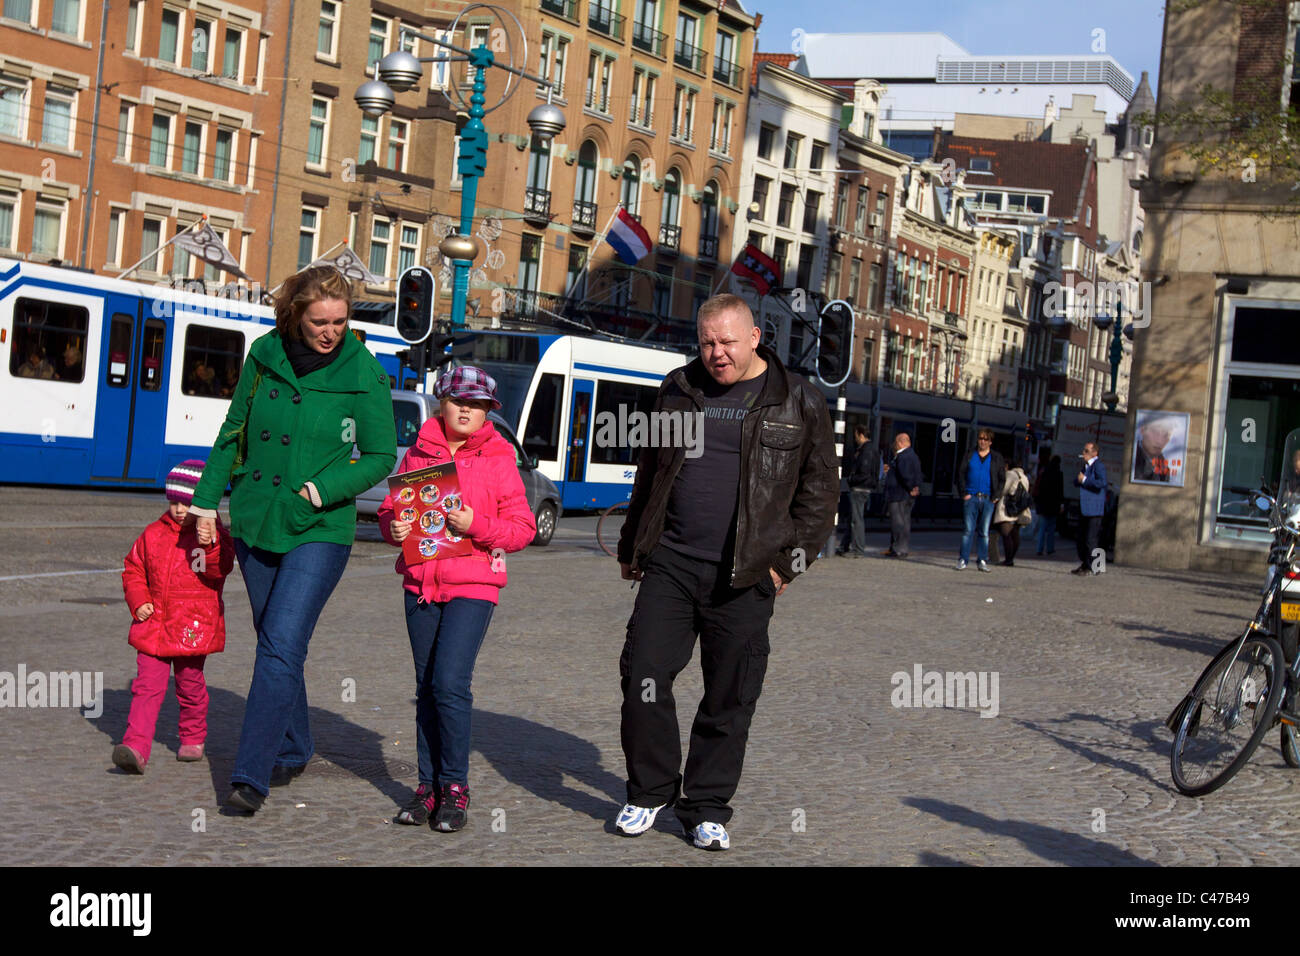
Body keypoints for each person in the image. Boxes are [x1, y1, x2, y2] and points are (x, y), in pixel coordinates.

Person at [614, 293, 837, 851]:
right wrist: (632, 544)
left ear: (755, 337)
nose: (717, 353)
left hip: (746, 575)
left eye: (727, 342)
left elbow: (821, 499)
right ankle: (649, 793)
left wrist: (786, 569)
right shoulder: (677, 389)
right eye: (708, 341)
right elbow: (652, 475)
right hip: (671, 563)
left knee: (730, 695)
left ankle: (705, 806)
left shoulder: (798, 401)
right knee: (643, 673)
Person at [188, 265, 397, 814]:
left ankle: (250, 775)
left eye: (340, 321)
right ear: (294, 317)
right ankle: (298, 743)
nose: (331, 332)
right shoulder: (264, 355)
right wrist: (205, 502)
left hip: (319, 526)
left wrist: (321, 489)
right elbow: (232, 433)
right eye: (319, 322)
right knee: (278, 644)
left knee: (280, 643)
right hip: (259, 519)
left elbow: (378, 455)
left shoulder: (365, 373)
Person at [378, 367, 536, 832]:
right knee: (426, 686)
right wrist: (395, 529)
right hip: (420, 584)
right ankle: (426, 788)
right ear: (441, 402)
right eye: (457, 400)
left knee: (449, 683)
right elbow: (393, 512)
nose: (466, 409)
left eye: (477, 403)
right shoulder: (418, 452)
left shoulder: (499, 456)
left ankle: (455, 786)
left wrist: (477, 526)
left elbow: (522, 527)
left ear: (488, 411)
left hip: (474, 583)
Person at [114, 461, 234, 773]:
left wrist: (210, 545)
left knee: (189, 684)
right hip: (154, 625)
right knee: (146, 687)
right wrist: (138, 599)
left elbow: (218, 570)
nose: (180, 509)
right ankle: (135, 746)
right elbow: (134, 568)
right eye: (175, 502)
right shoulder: (153, 534)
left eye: (188, 503)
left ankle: (193, 736)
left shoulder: (211, 535)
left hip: (191, 627)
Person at [954, 428, 1004, 572]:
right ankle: (963, 559)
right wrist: (963, 493)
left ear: (990, 442)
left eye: (985, 439)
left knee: (984, 531)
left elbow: (1002, 479)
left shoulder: (996, 458)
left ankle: (982, 559)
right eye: (980, 438)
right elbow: (961, 474)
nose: (982, 441)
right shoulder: (970, 454)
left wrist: (996, 496)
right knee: (968, 530)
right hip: (971, 497)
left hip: (988, 499)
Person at [840, 424, 880, 557]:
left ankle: (857, 549)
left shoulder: (866, 450)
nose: (855, 438)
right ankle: (845, 546)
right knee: (853, 517)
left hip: (860, 488)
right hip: (864, 487)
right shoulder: (871, 449)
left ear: (861, 435)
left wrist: (851, 479)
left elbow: (864, 471)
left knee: (856, 519)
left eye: (856, 435)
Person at [882, 431, 922, 559]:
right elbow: (917, 474)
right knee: (905, 521)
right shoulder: (913, 455)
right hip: (907, 495)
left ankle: (898, 548)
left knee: (898, 522)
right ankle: (901, 548)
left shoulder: (902, 456)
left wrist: (911, 487)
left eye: (895, 442)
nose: (894, 445)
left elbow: (905, 474)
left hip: (899, 494)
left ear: (900, 443)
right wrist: (915, 487)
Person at [1072, 441, 1108, 575]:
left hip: (1094, 509)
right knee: (1081, 539)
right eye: (1084, 450)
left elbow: (1102, 483)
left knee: (1090, 539)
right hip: (1085, 508)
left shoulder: (1098, 466)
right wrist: (1079, 479)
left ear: (1094, 453)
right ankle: (1086, 564)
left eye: (1086, 451)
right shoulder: (1085, 466)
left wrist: (1085, 480)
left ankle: (1095, 566)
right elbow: (1078, 481)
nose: (1083, 453)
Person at [993, 460, 1033, 567]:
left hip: (1008, 508)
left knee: (1006, 534)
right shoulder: (1024, 477)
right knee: (1015, 534)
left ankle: (1008, 559)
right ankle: (1011, 558)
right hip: (1019, 509)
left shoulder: (1010, 474)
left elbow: (1003, 489)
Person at [1034, 455, 1065, 555]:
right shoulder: (1059, 474)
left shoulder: (1045, 473)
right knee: (1051, 528)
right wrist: (1061, 504)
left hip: (1044, 504)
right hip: (1054, 505)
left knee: (1042, 528)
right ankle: (1050, 548)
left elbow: (1040, 489)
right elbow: (1060, 491)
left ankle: (1039, 549)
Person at [1133, 417, 1174, 482]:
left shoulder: (1164, 466)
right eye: (1155, 432)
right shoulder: (1132, 457)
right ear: (1142, 429)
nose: (1159, 441)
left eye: (1166, 435)